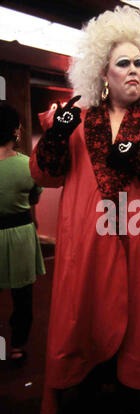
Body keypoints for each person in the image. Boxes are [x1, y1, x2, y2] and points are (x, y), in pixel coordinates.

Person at [29, 5, 140, 414]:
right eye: (122, 63)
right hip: (88, 248)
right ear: (102, 73)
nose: (132, 70)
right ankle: (88, 410)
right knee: (84, 329)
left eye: (138, 62)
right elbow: (44, 174)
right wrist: (54, 135)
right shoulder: (76, 122)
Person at [0, 102, 45, 365]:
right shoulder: (28, 165)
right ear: (16, 131)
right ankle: (16, 347)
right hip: (20, 236)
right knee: (23, 299)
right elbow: (35, 199)